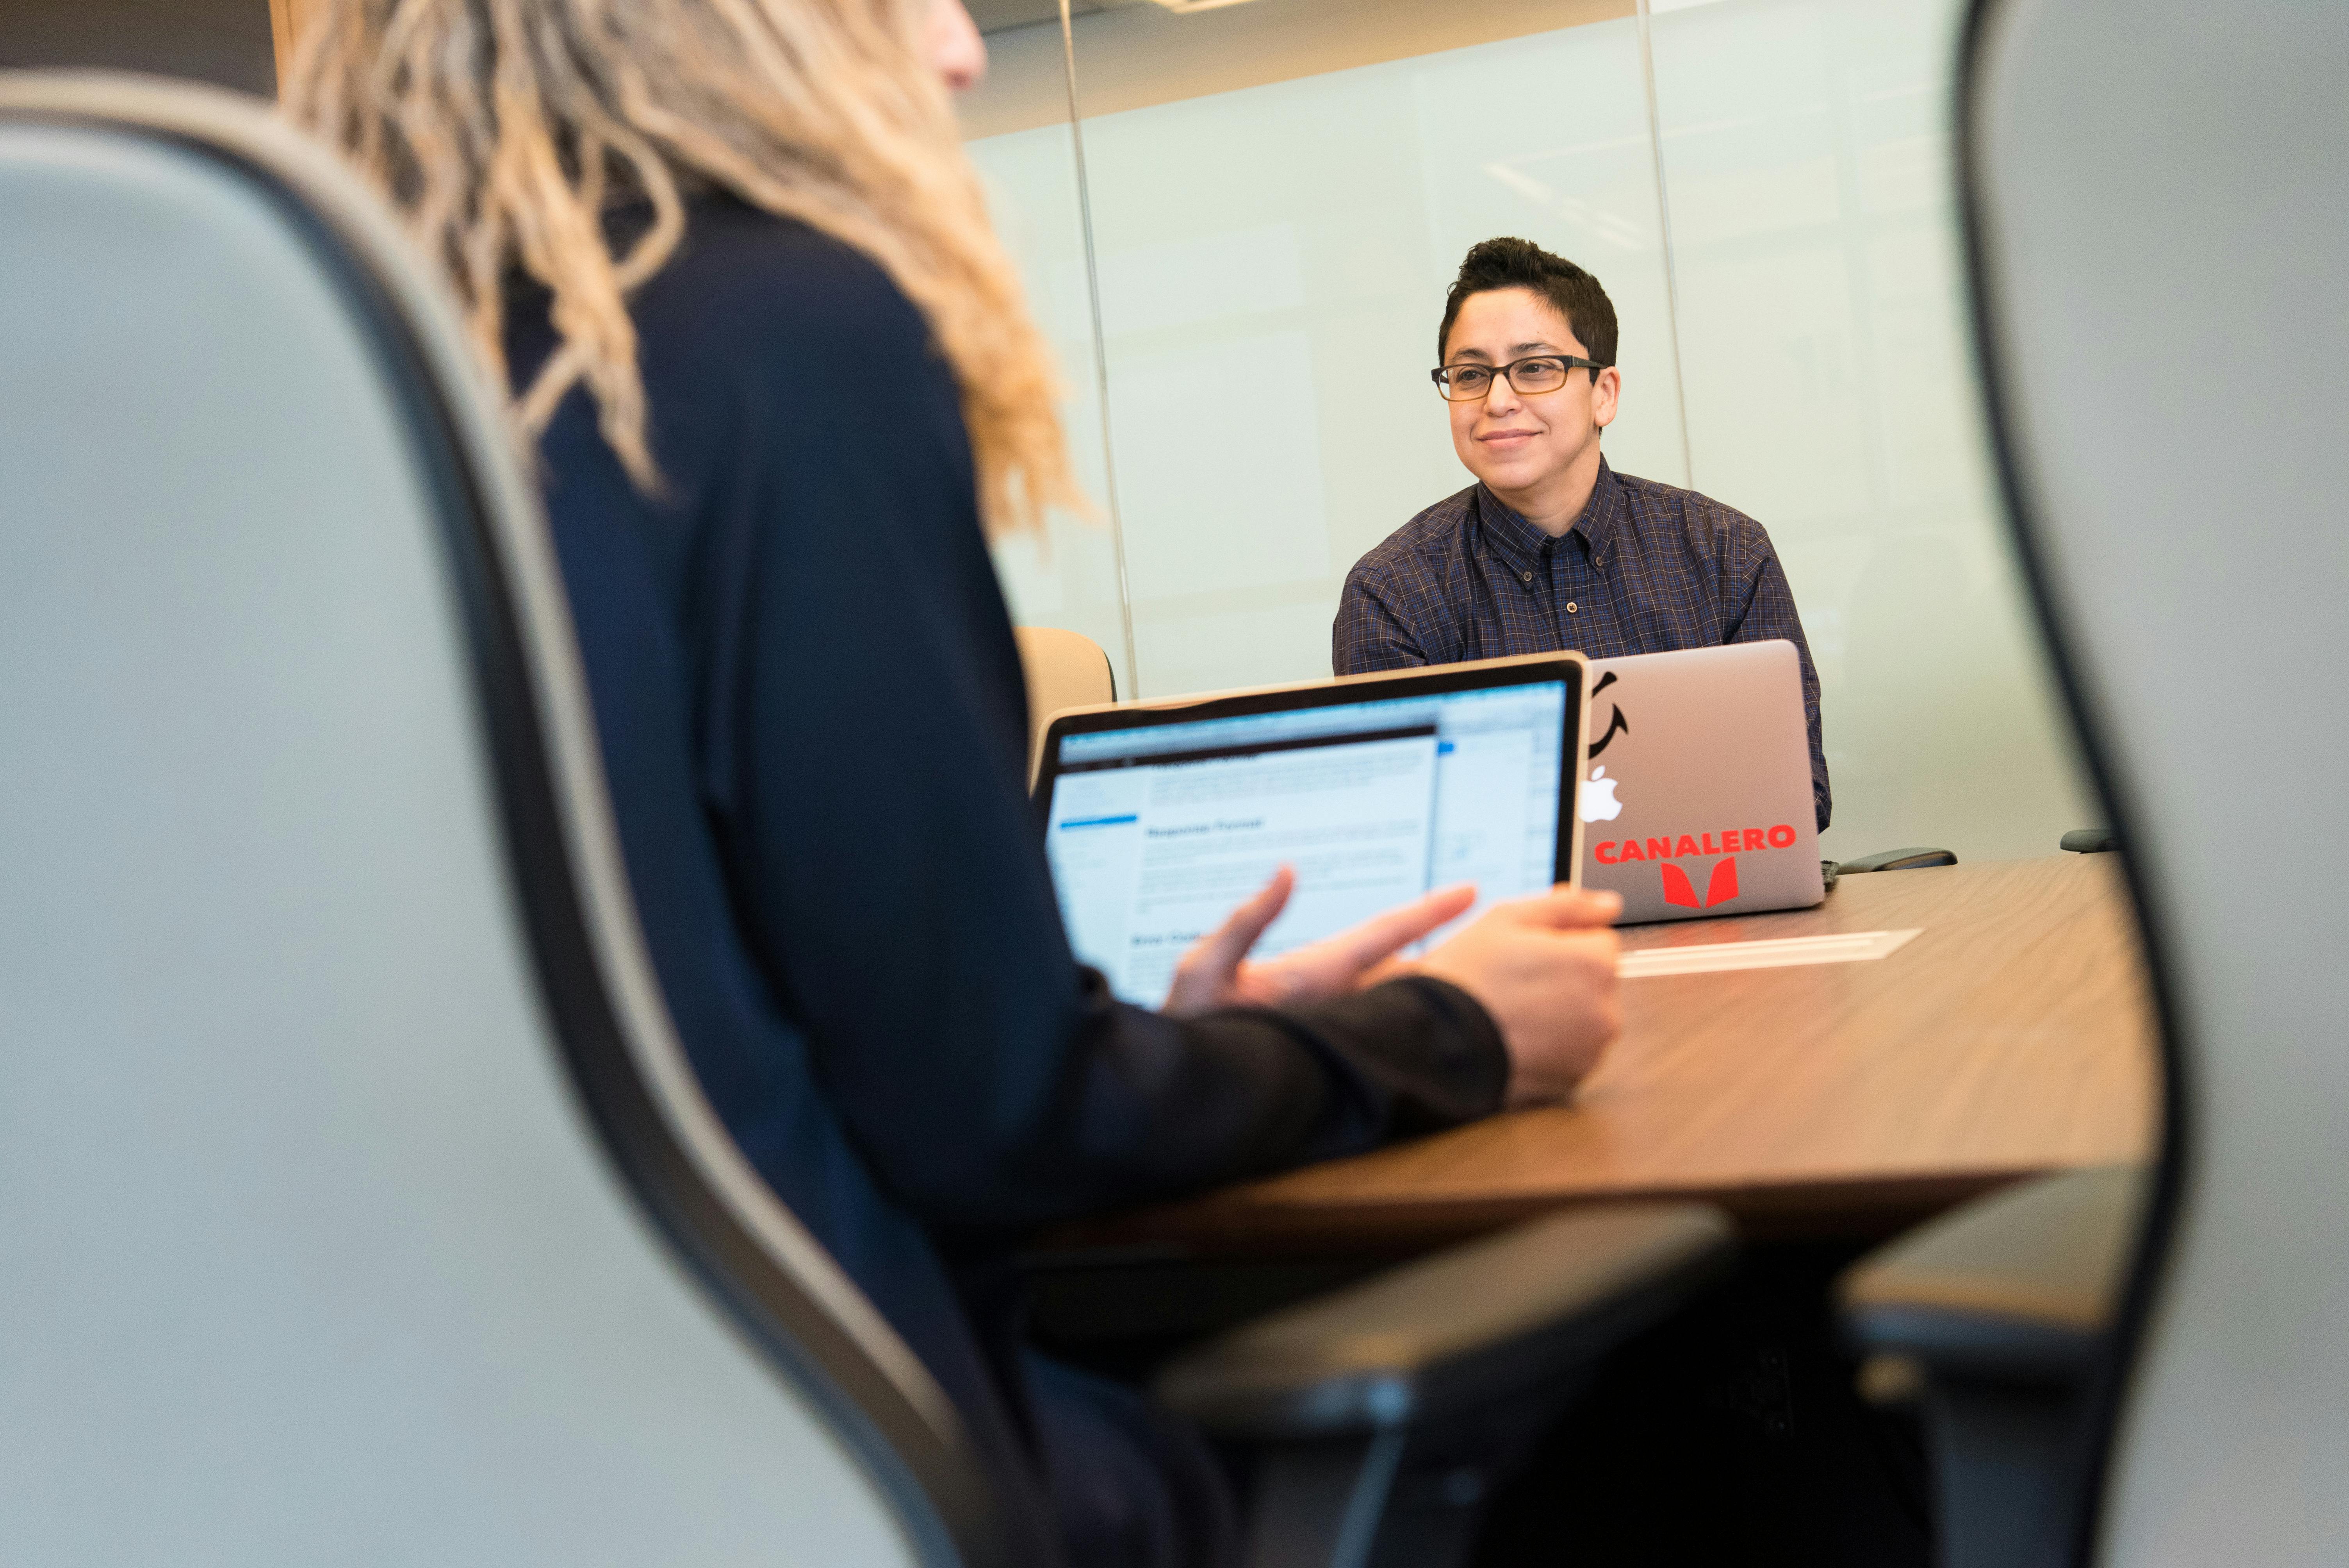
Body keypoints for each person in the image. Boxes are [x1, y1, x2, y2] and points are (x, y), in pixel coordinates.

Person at [290, 4, 1623, 1565]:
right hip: (826, 1452)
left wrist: (1180, 1039)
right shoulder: (782, 334)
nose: (957, 48)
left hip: (446, 1459)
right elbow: (990, 1122)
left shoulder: (344, 379)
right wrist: (1446, 1029)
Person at [1335, 238, 1831, 831]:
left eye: (1534, 368)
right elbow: (1401, 828)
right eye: (1470, 375)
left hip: (1714, 901)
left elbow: (1798, 794)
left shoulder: (1725, 551)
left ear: (1604, 393)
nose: (1497, 401)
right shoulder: (1393, 593)